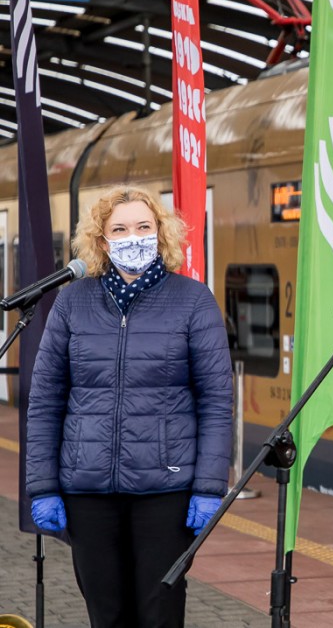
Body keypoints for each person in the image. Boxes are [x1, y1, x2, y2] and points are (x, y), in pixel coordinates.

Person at [25, 185, 233, 628]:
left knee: (160, 614)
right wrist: (42, 485)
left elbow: (216, 401)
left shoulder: (193, 300)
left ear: (161, 233)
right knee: (106, 615)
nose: (133, 236)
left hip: (167, 490)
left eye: (143, 226)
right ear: (101, 241)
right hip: (88, 491)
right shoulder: (71, 302)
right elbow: (45, 401)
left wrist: (209, 487)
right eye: (119, 229)